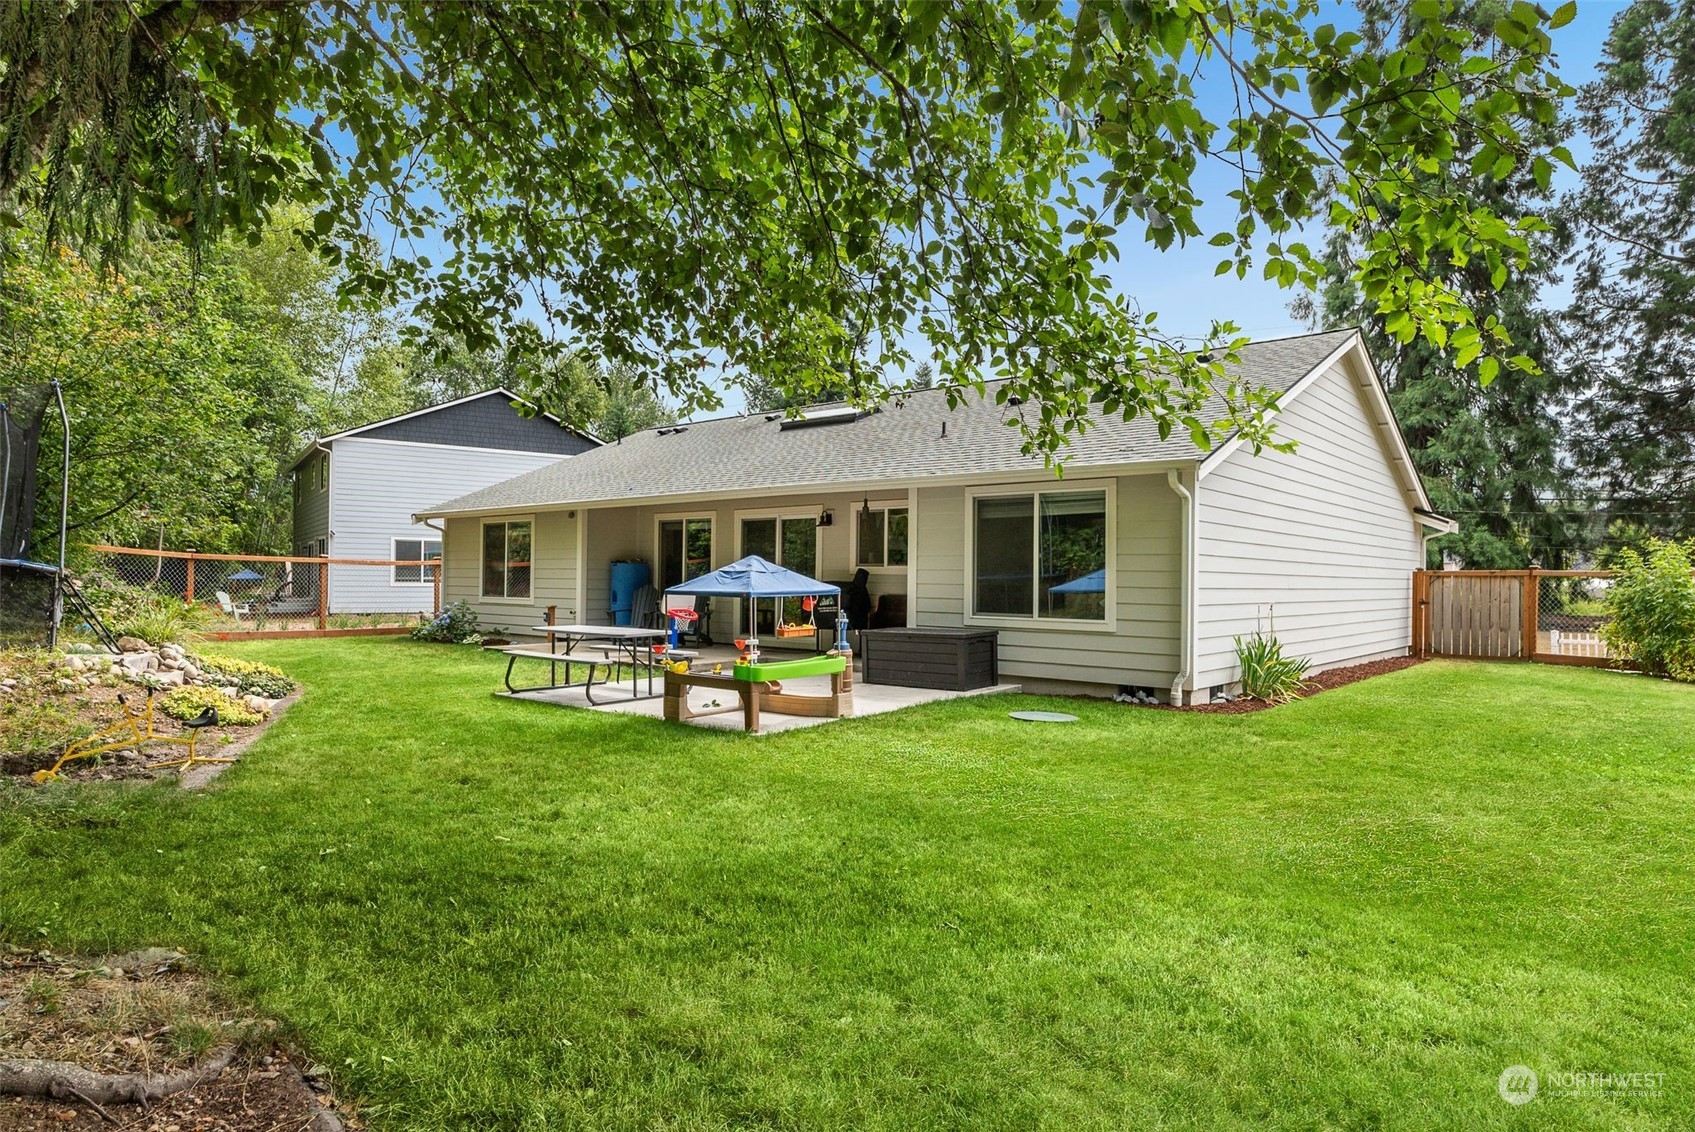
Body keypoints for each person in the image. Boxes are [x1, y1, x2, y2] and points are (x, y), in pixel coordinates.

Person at [843, 568, 872, 635]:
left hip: (860, 614)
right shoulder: (852, 589)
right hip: (853, 614)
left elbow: (867, 604)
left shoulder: (859, 590)